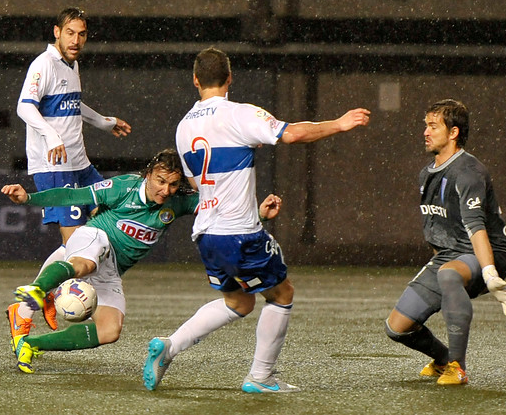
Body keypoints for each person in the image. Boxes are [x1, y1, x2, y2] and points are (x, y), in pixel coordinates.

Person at [142, 47, 371, 393]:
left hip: (207, 234)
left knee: (239, 302)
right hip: (238, 233)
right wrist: (338, 124)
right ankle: (261, 377)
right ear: (230, 78)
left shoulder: (183, 127)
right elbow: (291, 133)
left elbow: (195, 183)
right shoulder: (240, 114)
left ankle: (170, 346)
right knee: (281, 293)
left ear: (195, 80)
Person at [2, 149, 282, 374]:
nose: (166, 189)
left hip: (112, 270)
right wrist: (29, 198)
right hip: (95, 238)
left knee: (109, 330)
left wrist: (258, 214)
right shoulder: (123, 186)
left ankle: (30, 345)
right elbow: (73, 196)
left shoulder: (179, 201)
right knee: (84, 264)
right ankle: (37, 290)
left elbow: (221, 214)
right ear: (149, 175)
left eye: (173, 184)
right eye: (160, 181)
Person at [385, 99, 506, 386]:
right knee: (396, 328)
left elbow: (477, 228)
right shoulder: (427, 174)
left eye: (433, 126)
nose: (425, 131)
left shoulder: (468, 172)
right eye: (425, 125)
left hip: (485, 252)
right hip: (450, 256)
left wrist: (489, 273)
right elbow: (438, 228)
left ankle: (458, 368)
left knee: (449, 274)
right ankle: (443, 359)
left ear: (454, 132)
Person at [12, 7, 132, 332]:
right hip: (55, 168)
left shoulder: (71, 64)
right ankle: (26, 307)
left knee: (109, 217)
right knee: (79, 243)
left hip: (80, 164)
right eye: (70, 33)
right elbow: (25, 106)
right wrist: (50, 135)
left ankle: (46, 291)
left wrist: (104, 123)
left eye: (81, 34)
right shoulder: (44, 64)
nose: (76, 40)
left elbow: (73, 104)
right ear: (56, 32)